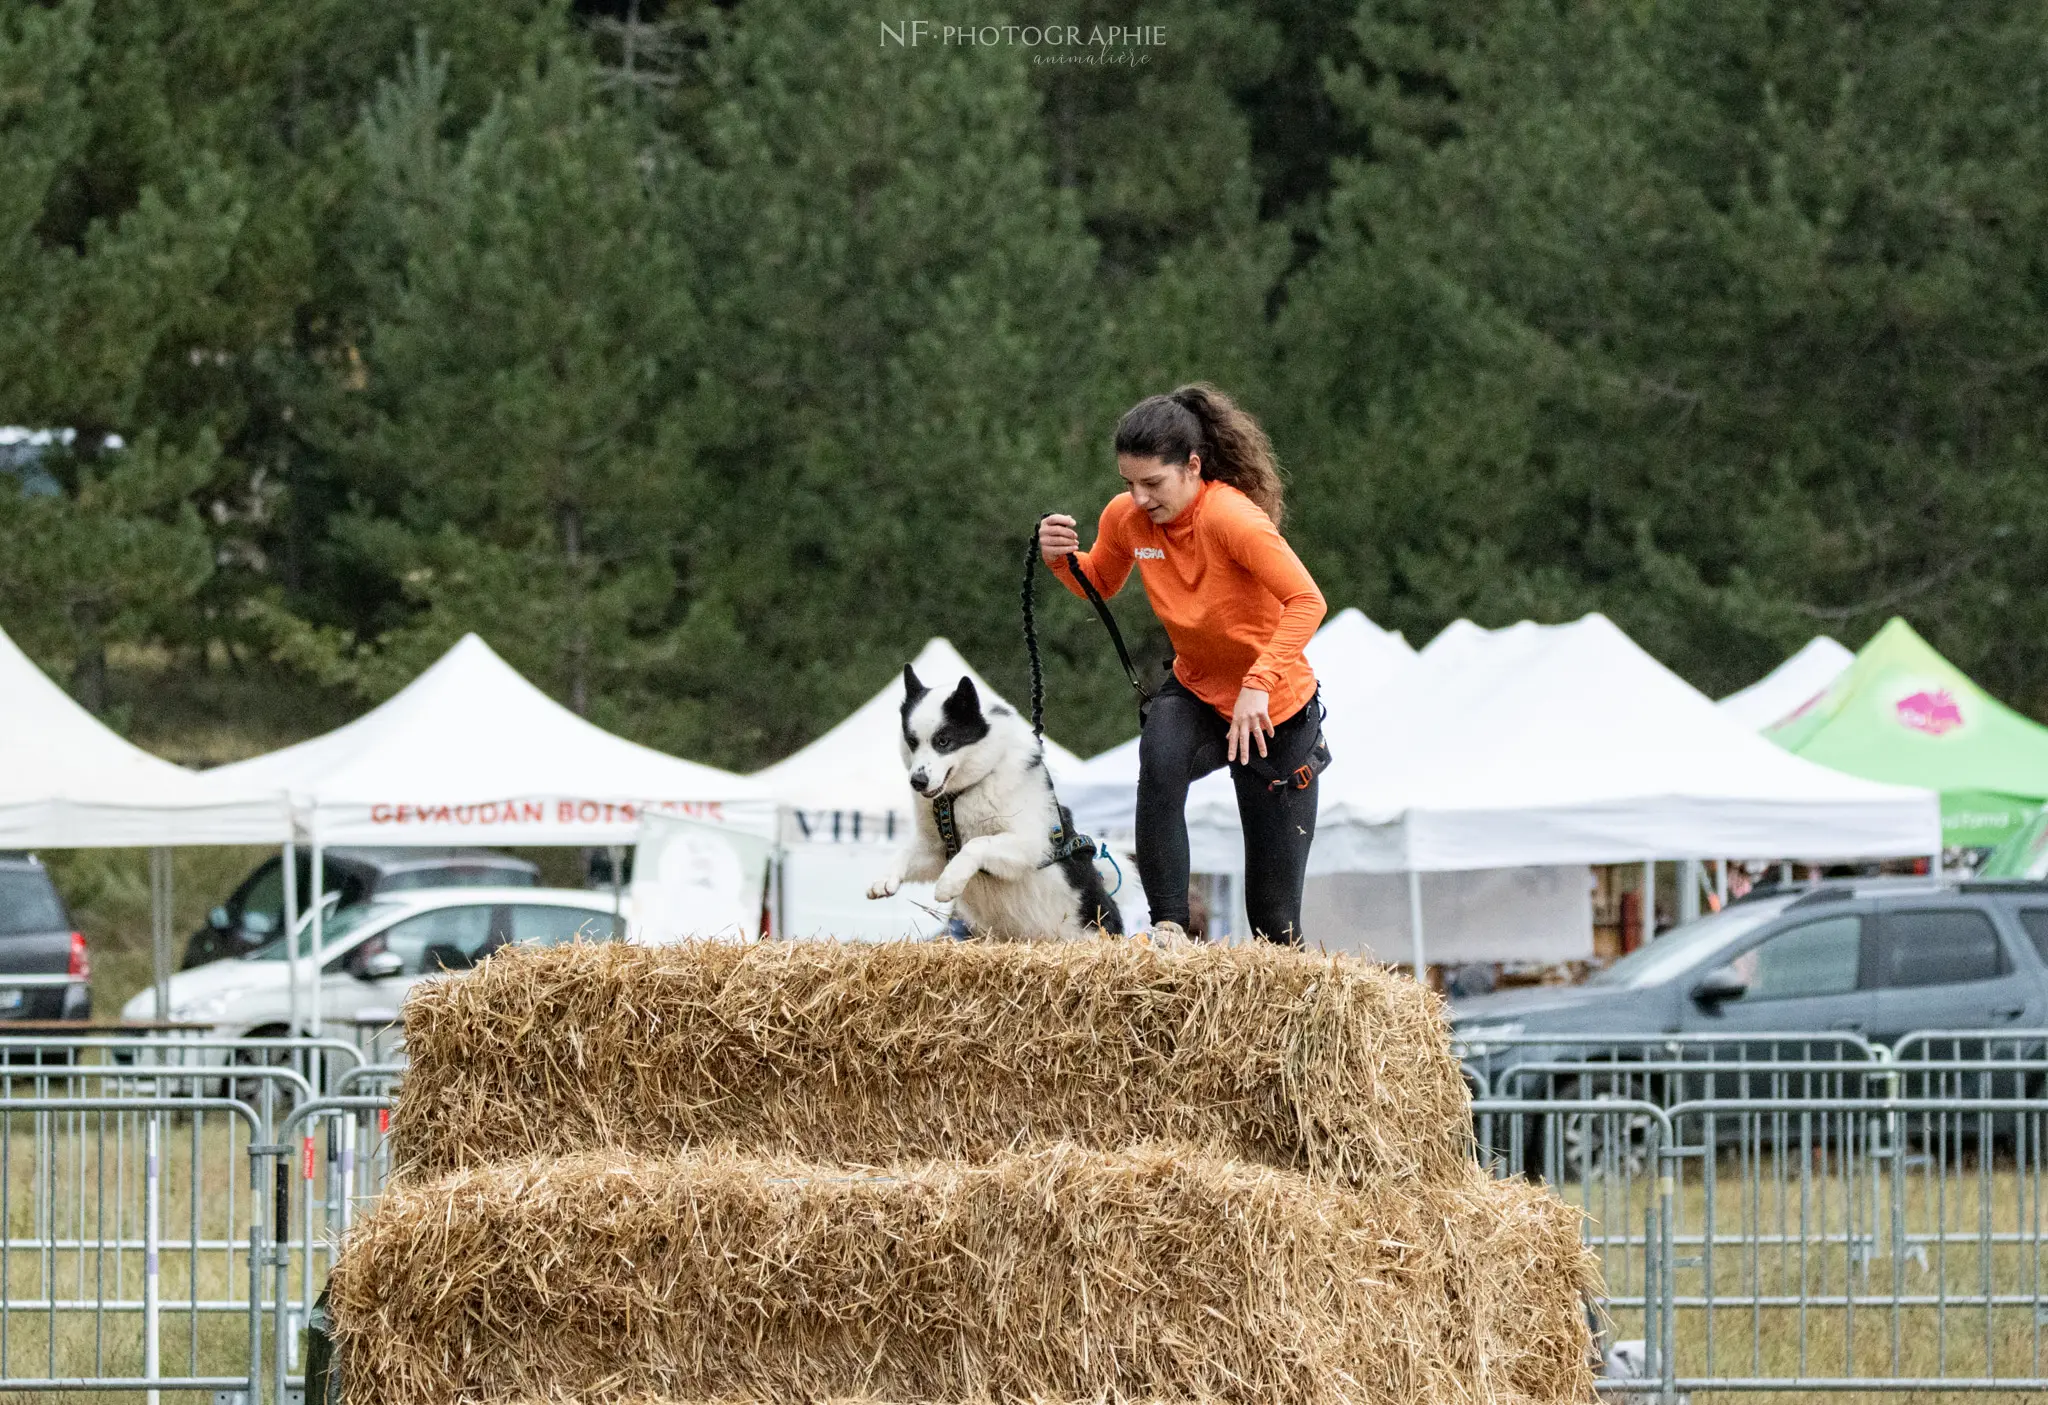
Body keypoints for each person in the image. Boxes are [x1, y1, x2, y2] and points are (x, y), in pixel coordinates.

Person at [1039, 383, 1327, 944]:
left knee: (1273, 921)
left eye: (1153, 483)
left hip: (1276, 713)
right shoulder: (1128, 517)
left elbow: (1308, 601)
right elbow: (1097, 580)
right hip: (1196, 691)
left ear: (1193, 467)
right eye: (1129, 483)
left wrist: (1259, 683)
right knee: (1160, 758)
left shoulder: (1232, 519)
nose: (1140, 498)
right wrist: (1060, 559)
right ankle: (1168, 926)